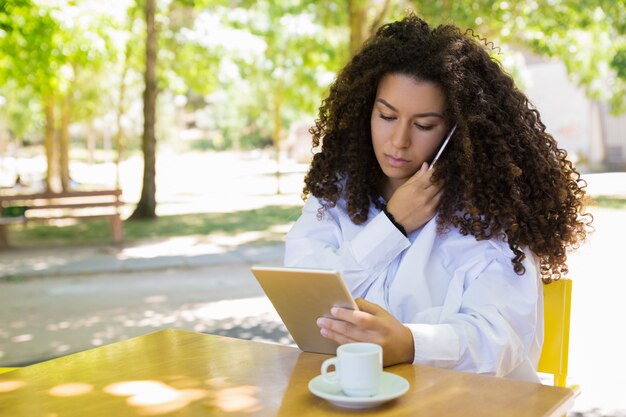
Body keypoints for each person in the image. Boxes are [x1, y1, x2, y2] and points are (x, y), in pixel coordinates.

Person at [284, 13, 592, 382]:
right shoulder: (336, 193)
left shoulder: (490, 213)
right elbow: (304, 299)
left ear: (458, 131)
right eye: (386, 116)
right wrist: (391, 226)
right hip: (365, 398)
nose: (398, 141)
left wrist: (410, 343)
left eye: (424, 125)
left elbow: (502, 341)